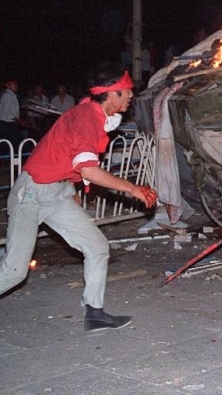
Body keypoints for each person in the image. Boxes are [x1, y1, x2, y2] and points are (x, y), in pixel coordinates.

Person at [0, 64, 158, 332]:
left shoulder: (92, 114)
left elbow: (66, 157)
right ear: (112, 94)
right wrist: (133, 189)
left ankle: (94, 313)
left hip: (56, 192)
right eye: (127, 91)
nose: (132, 95)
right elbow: (88, 170)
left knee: (97, 246)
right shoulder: (86, 117)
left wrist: (70, 190)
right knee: (15, 272)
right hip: (32, 193)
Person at [0, 80, 24, 149]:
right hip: (7, 124)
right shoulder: (8, 96)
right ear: (8, 85)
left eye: (16, 85)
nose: (16, 87)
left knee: (10, 145)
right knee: (15, 143)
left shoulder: (11, 96)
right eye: (14, 85)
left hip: (9, 124)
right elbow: (8, 113)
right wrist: (20, 121)